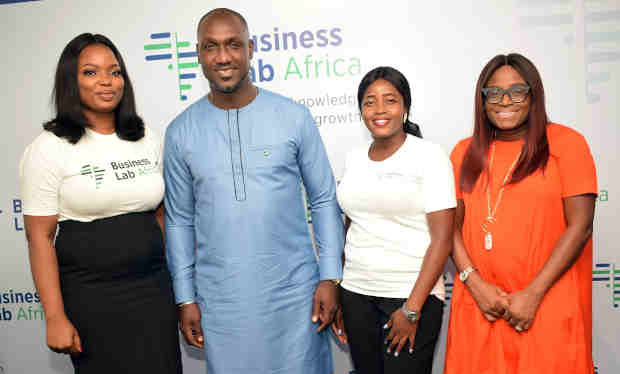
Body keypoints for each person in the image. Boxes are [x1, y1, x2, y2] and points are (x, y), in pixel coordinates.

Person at [163, 8, 344, 374]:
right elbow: (179, 220)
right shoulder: (181, 132)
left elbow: (324, 199)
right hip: (222, 305)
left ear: (251, 48)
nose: (223, 57)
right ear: (198, 54)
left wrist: (330, 275)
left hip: (296, 298)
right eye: (211, 47)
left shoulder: (293, 117)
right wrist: (185, 297)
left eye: (233, 44)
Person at [19, 33, 182, 374]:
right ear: (70, 81)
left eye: (115, 71)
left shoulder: (145, 136)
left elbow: (161, 216)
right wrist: (55, 317)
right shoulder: (48, 148)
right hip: (92, 301)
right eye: (90, 72)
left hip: (153, 294)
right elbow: (39, 238)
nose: (107, 81)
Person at [444, 53, 597, 374]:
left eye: (517, 91)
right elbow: (449, 228)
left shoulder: (567, 144)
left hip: (545, 302)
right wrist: (476, 284)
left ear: (533, 95)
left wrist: (533, 294)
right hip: (481, 305)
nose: (505, 101)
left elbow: (580, 227)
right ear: (483, 100)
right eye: (494, 92)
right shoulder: (463, 153)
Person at [333, 66, 456, 374]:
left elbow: (443, 239)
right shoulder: (354, 157)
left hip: (411, 297)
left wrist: (412, 310)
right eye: (369, 101)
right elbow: (351, 226)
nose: (379, 110)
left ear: (405, 107)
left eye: (390, 100)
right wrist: (339, 287)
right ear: (361, 109)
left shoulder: (430, 156)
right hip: (356, 294)